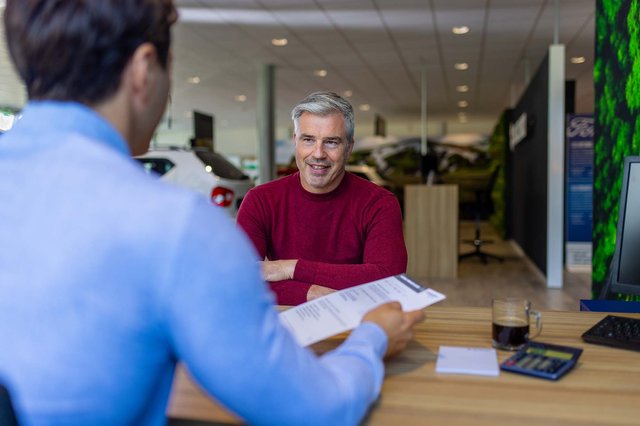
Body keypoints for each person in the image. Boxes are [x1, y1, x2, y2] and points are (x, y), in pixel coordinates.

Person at [0, 1, 425, 425]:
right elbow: (316, 410)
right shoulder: (175, 227)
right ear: (145, 69)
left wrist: (290, 275)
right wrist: (372, 336)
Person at [237, 91, 408, 305]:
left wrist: (290, 268)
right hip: (286, 323)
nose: (318, 153)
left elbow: (388, 278)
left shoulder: (380, 204)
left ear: (349, 147)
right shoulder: (260, 200)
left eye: (331, 142)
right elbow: (239, 279)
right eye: (308, 140)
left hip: (357, 322)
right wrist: (311, 293)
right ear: (295, 142)